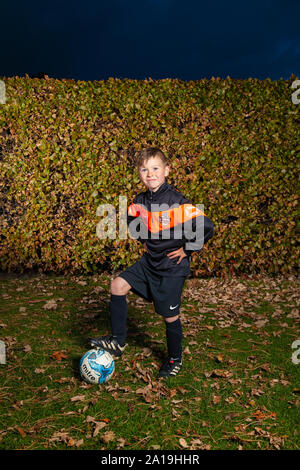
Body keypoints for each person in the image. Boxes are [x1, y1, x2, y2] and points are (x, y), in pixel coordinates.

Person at [88, 148, 214, 378]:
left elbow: (206, 226)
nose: (150, 174)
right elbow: (132, 217)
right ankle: (118, 341)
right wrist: (144, 239)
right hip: (149, 262)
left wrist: (187, 249)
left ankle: (175, 358)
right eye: (144, 169)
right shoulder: (140, 200)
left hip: (171, 268)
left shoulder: (177, 202)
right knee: (117, 285)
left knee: (169, 316)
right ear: (139, 173)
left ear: (166, 170)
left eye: (155, 168)